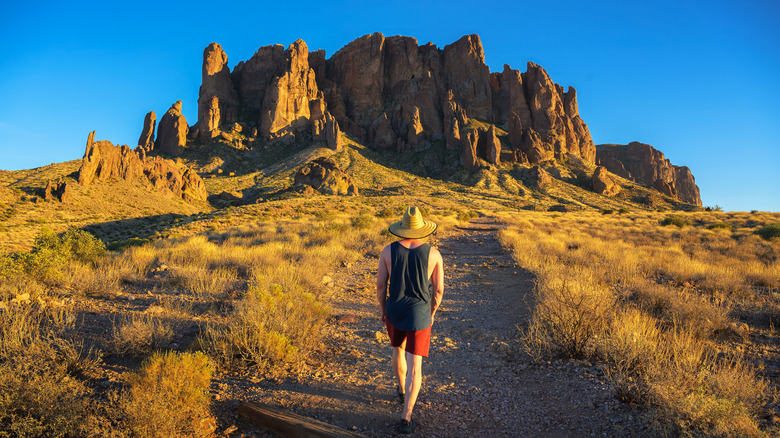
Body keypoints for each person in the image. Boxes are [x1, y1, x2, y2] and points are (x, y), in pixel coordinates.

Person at [376, 206, 444, 434]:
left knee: (397, 348)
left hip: (395, 310)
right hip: (420, 314)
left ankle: (401, 389)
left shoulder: (388, 251)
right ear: (422, 229)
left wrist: (383, 308)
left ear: (402, 228)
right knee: (416, 365)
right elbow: (439, 290)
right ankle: (406, 417)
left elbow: (380, 285)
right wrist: (432, 313)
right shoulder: (434, 254)